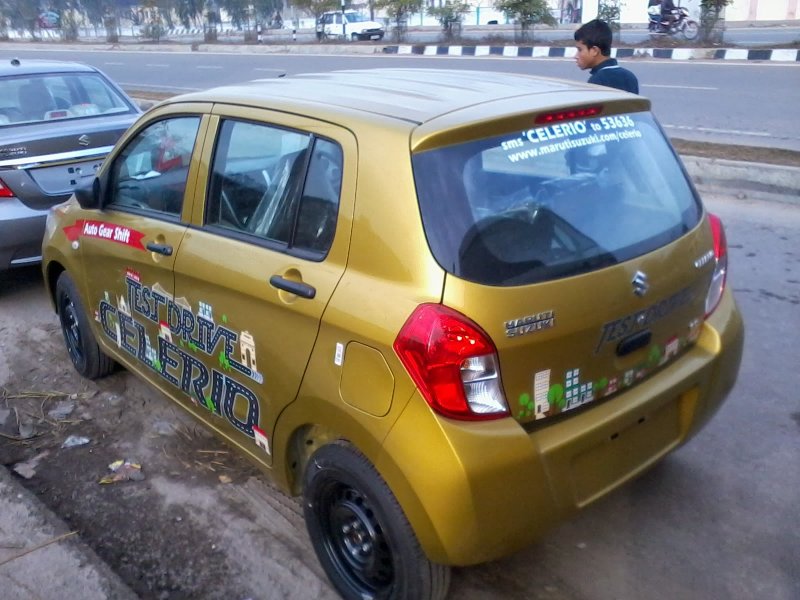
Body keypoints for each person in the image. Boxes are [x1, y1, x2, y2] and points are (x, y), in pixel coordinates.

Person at [573, 19, 639, 94]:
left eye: (579, 49)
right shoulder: (630, 77)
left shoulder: (597, 81)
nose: (575, 56)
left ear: (594, 51)